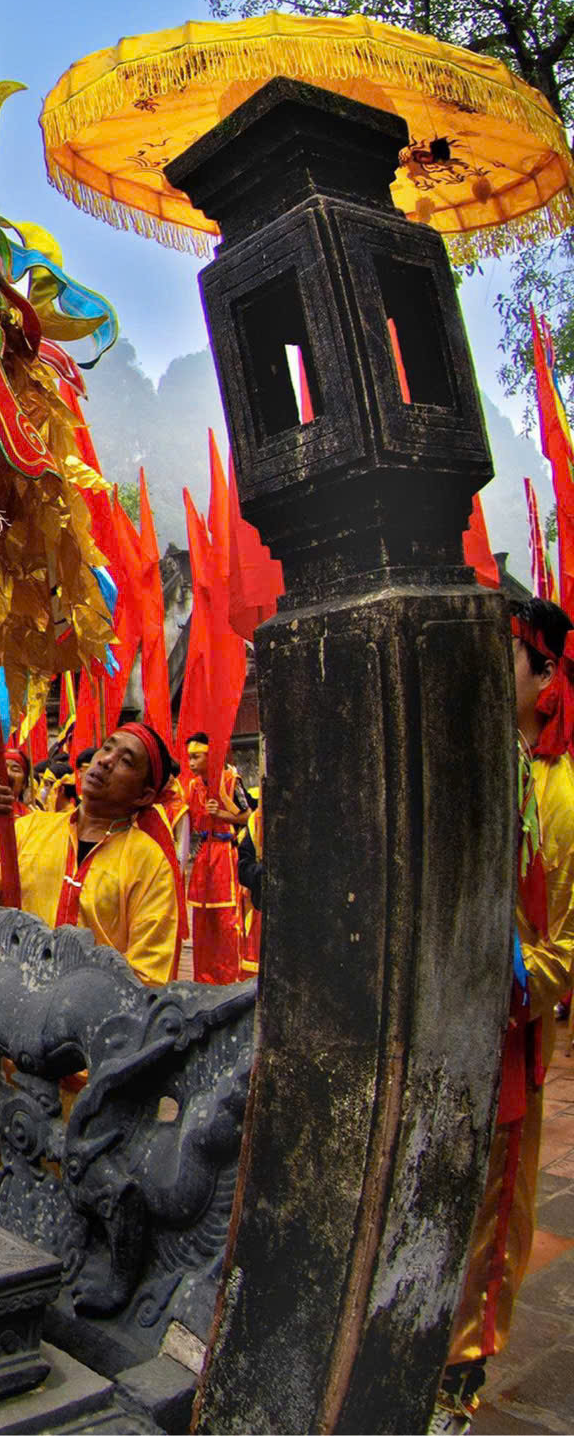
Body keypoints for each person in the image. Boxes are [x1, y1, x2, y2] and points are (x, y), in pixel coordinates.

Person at [442, 596, 574, 1423]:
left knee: (495, 1195)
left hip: (509, 1023)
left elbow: (567, 939)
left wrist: (518, 974)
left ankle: (465, 1360)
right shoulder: (461, 763)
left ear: (547, 674)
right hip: (439, 1014)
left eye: (508, 659)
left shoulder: (560, 794)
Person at [0, 719, 182, 985]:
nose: (105, 760)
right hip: (9, 999)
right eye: (106, 748)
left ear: (144, 796)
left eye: (126, 761)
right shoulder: (27, 829)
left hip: (87, 1016)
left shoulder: (149, 862)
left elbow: (147, 975)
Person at [181, 731, 249, 983]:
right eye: (189, 757)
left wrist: (221, 814)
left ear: (212, 757)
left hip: (223, 854)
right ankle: (204, 978)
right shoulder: (192, 786)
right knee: (202, 920)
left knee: (226, 920)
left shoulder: (231, 781)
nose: (191, 763)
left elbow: (247, 816)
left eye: (196, 757)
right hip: (203, 856)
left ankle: (229, 978)